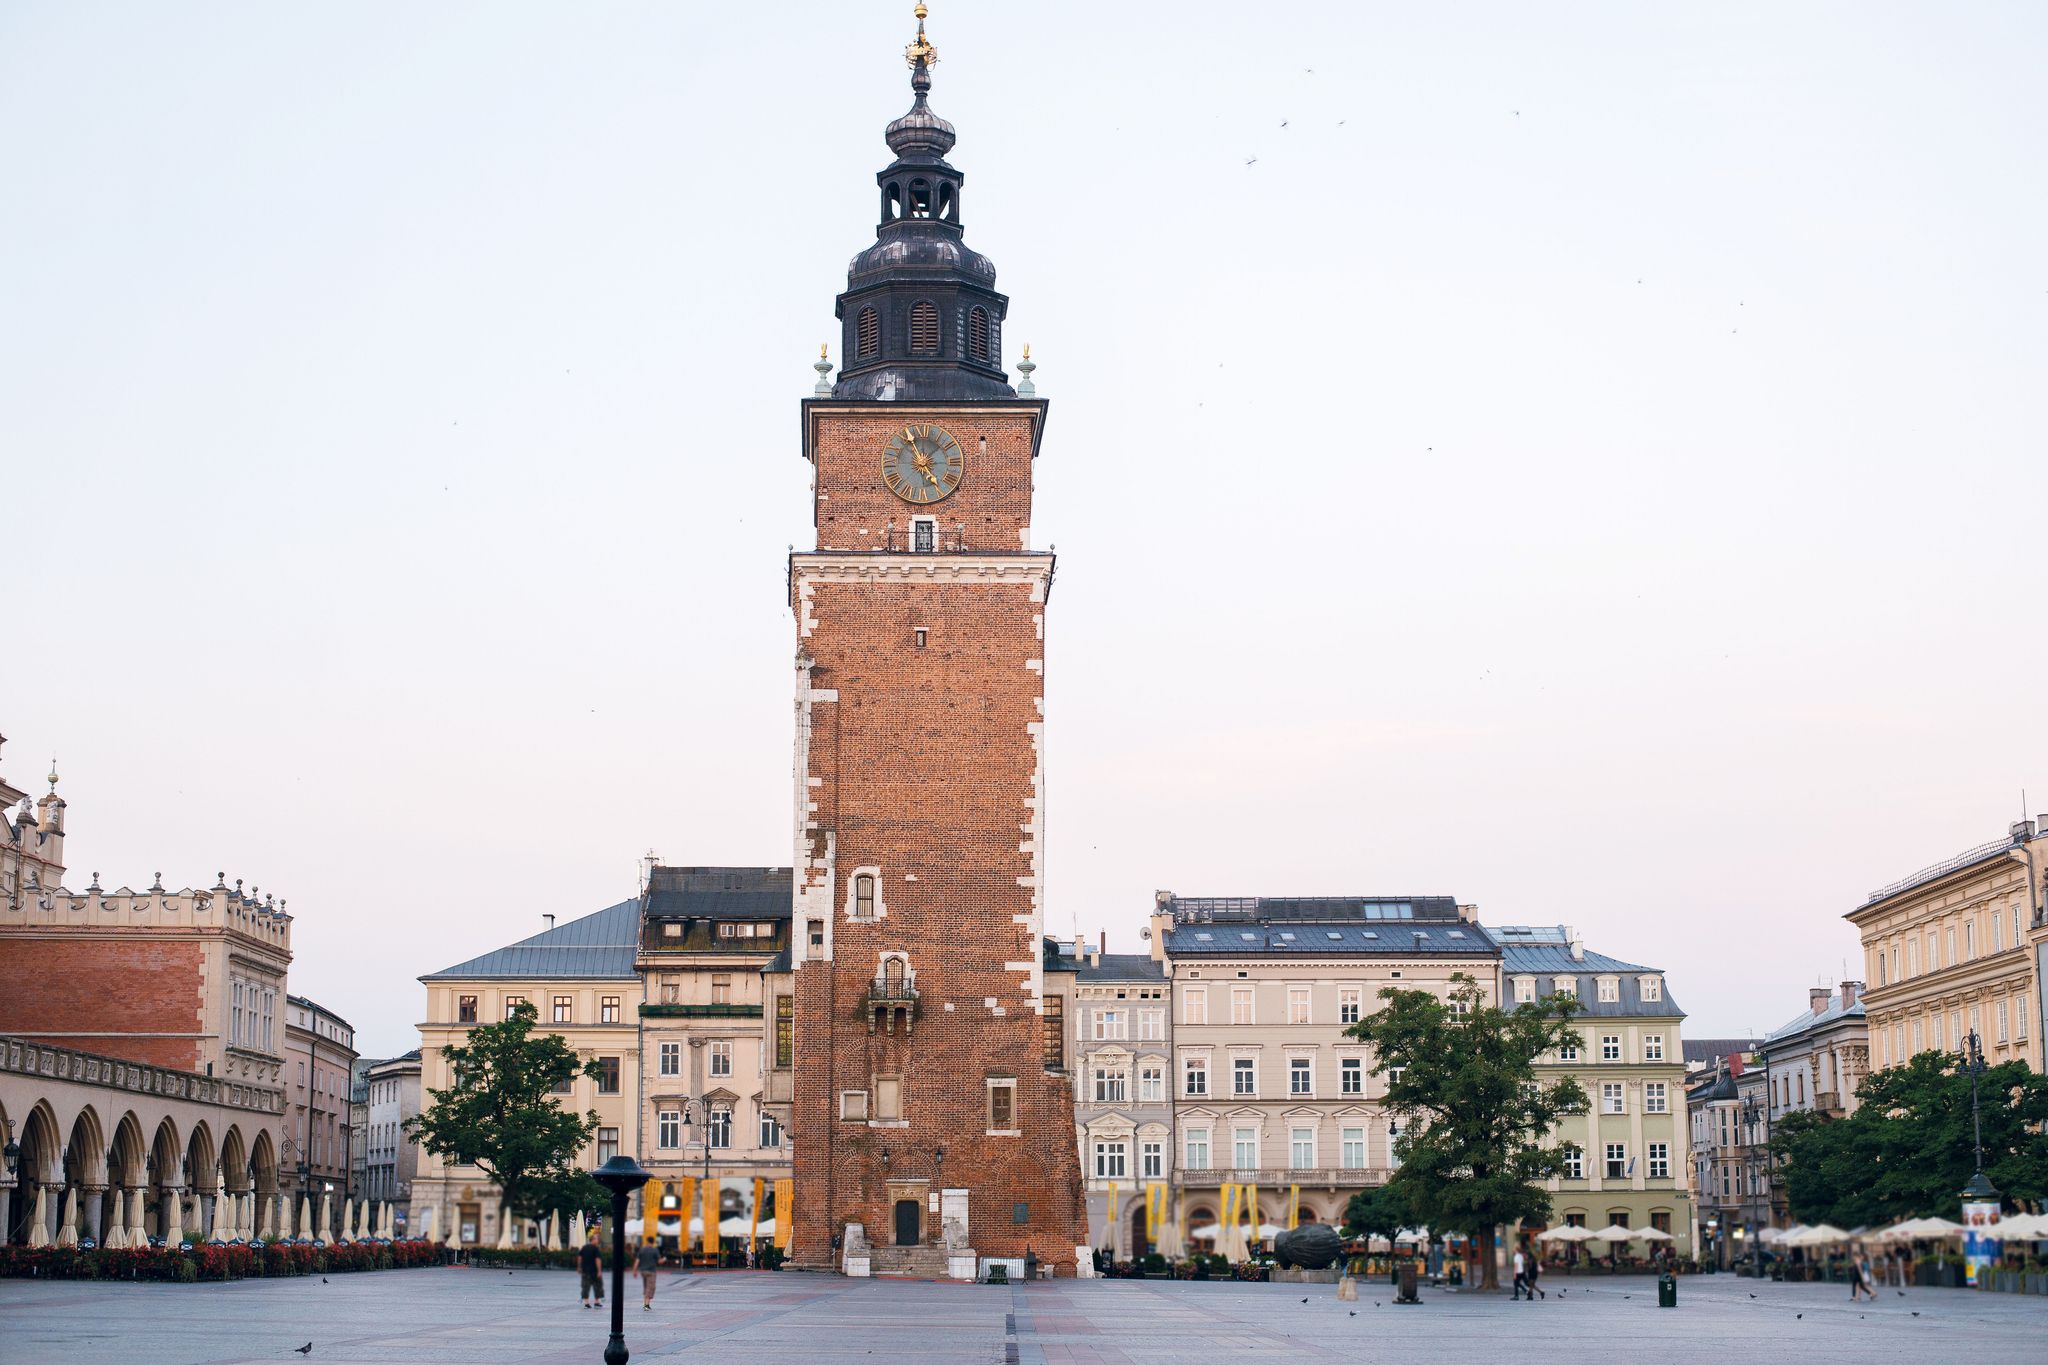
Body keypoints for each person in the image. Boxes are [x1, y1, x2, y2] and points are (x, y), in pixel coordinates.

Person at [579, 1232, 604, 1308]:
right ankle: (596, 1302)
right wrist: (599, 1271)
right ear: (593, 1239)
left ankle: (586, 1303)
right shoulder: (596, 1249)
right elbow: (598, 1260)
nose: (598, 1240)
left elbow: (580, 1257)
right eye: (597, 1238)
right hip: (594, 1271)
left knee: (585, 1286)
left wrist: (579, 1267)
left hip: (585, 1270)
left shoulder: (584, 1247)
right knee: (597, 1286)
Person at [634, 1237, 661, 1311]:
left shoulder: (642, 1250)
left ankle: (646, 1304)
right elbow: (659, 1261)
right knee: (650, 1287)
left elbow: (637, 1261)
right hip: (651, 1271)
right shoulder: (654, 1250)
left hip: (643, 1271)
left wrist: (634, 1270)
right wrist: (664, 1259)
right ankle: (646, 1305)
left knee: (646, 1287)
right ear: (653, 1242)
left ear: (647, 1241)